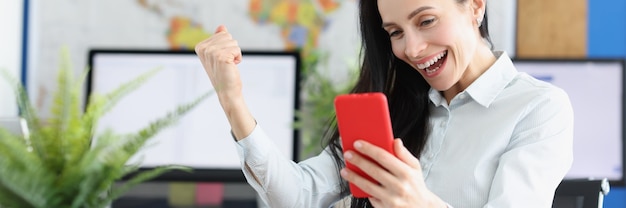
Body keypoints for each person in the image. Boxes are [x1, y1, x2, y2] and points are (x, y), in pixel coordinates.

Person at [195, 0, 574, 207]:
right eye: (395, 32)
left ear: (475, 6)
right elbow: (298, 196)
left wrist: (418, 203)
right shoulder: (395, 107)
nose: (410, 48)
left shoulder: (538, 108)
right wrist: (232, 101)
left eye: (425, 21)